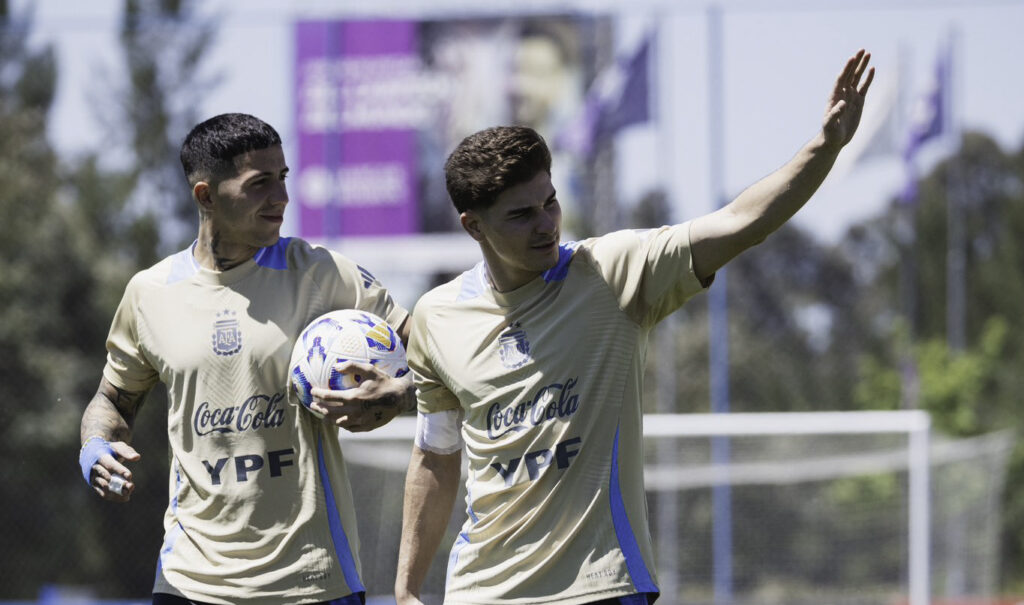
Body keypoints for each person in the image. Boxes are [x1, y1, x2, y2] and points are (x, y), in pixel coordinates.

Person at [394, 50, 874, 605]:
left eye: (549, 203)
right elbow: (435, 453)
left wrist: (824, 147)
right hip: (480, 592)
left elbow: (742, 222)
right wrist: (406, 589)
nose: (547, 224)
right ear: (472, 226)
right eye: (521, 215)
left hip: (600, 586)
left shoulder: (613, 272)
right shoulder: (436, 315)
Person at [78, 113, 414, 604]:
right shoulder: (149, 294)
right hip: (188, 581)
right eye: (260, 184)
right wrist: (94, 450)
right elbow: (112, 400)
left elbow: (434, 354)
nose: (281, 198)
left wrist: (400, 393)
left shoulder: (321, 274)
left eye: (283, 179)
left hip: (312, 581)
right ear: (205, 195)